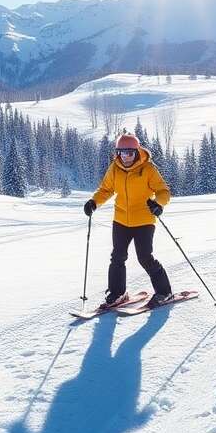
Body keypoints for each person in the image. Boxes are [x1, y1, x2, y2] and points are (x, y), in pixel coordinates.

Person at [82, 132, 176, 308]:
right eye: (122, 153)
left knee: (145, 257)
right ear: (118, 153)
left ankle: (165, 292)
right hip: (121, 220)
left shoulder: (148, 169)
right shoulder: (114, 168)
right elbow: (106, 190)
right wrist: (94, 202)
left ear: (137, 151)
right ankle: (117, 293)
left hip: (144, 220)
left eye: (130, 153)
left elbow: (163, 191)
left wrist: (158, 204)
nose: (126, 157)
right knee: (117, 257)